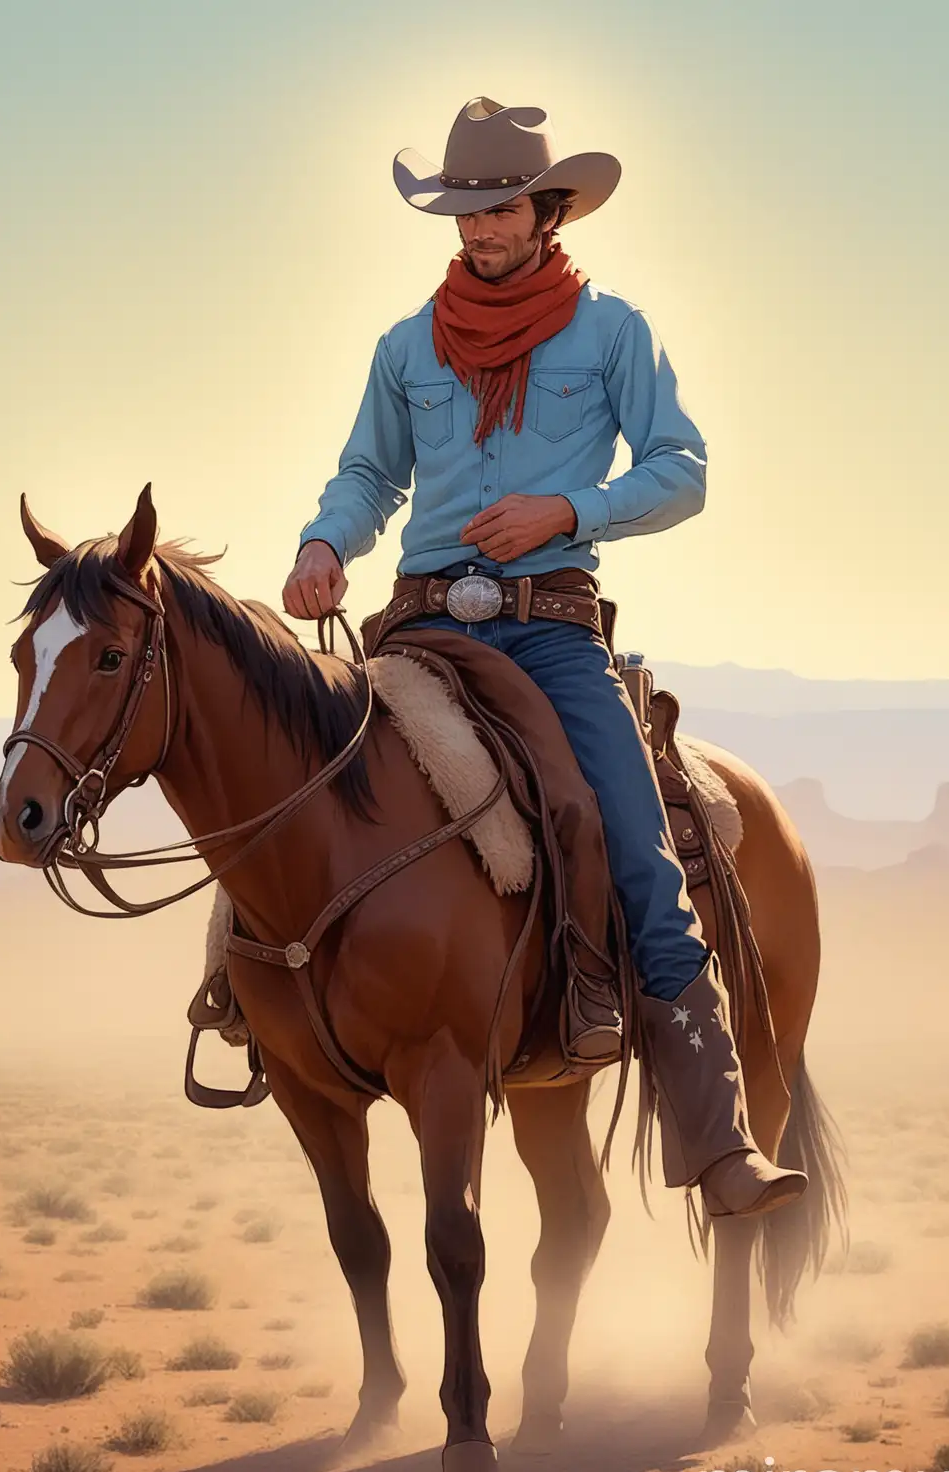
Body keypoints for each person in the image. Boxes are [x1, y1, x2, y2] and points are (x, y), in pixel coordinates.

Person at [282, 97, 805, 1219]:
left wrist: (567, 508)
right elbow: (371, 476)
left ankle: (718, 1146)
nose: (479, 228)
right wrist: (328, 541)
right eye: (462, 211)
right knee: (304, 785)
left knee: (629, 835)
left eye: (500, 207)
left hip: (552, 627)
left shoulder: (610, 332)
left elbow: (682, 468)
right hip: (420, 622)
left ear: (548, 209)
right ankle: (253, 1007)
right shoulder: (406, 346)